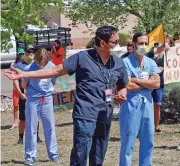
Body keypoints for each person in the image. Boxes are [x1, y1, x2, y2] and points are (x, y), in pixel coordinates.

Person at [4, 25, 129, 166]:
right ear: (102, 43)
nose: (118, 45)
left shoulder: (118, 63)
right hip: (85, 113)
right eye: (115, 42)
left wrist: (121, 94)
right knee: (81, 152)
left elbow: (123, 85)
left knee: (99, 153)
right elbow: (55, 71)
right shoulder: (82, 57)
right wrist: (24, 74)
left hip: (105, 114)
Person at [119, 32, 161, 166]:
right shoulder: (125, 62)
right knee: (128, 141)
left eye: (145, 43)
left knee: (148, 140)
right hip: (131, 104)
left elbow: (157, 84)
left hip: (148, 103)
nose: (143, 46)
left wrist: (136, 80)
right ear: (134, 44)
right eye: (140, 43)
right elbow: (126, 85)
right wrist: (147, 82)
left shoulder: (151, 62)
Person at [22, 48, 59, 165]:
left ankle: (53, 155)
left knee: (50, 126)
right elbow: (24, 84)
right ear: (36, 59)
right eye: (39, 63)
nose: (41, 65)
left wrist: (46, 92)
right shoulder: (28, 68)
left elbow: (53, 81)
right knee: (31, 128)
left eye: (43, 63)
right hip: (33, 99)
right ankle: (30, 157)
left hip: (47, 98)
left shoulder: (52, 66)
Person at [14, 45, 42, 144]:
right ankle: (21, 138)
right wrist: (20, 93)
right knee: (23, 117)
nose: (31, 54)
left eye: (33, 52)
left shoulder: (36, 64)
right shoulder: (19, 65)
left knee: (36, 116)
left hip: (34, 95)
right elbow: (15, 80)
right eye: (29, 52)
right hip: (24, 95)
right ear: (25, 53)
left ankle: (37, 136)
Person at [147, 43, 170, 132]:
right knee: (147, 106)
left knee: (157, 105)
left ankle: (156, 127)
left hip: (160, 84)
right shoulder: (149, 54)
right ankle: (146, 127)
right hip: (148, 83)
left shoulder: (165, 55)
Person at [10, 48, 25, 129]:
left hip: (24, 88)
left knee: (25, 105)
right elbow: (12, 75)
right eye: (20, 54)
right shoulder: (13, 64)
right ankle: (15, 122)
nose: (21, 56)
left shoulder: (25, 64)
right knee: (16, 105)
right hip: (16, 89)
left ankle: (25, 120)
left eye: (23, 54)